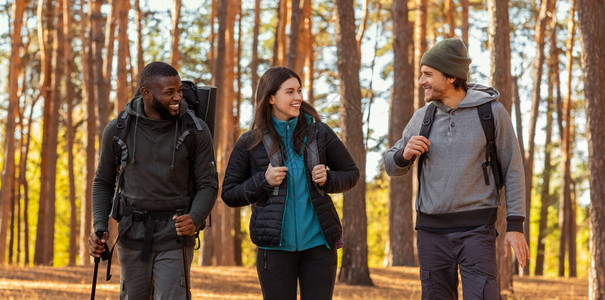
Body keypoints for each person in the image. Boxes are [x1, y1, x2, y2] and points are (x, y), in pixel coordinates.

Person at [384, 38, 529, 299]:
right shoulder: (422, 117)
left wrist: (515, 226)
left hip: (477, 230)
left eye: (428, 74)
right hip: (430, 233)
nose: (421, 81)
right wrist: (404, 155)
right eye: (420, 74)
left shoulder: (492, 113)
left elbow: (513, 169)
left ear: (451, 76)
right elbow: (390, 165)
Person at [221, 66, 359, 300]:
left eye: (299, 91)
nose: (298, 98)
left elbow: (351, 173)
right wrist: (262, 181)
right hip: (274, 250)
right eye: (290, 92)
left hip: (319, 247)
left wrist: (329, 179)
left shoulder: (319, 133)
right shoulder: (250, 141)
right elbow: (229, 193)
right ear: (271, 98)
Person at [88, 61, 218, 299]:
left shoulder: (195, 130)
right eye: (169, 92)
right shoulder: (118, 130)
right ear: (146, 93)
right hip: (132, 234)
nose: (178, 97)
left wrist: (196, 218)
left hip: (175, 237)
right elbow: (103, 182)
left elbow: (208, 184)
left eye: (179, 90)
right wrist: (100, 226)